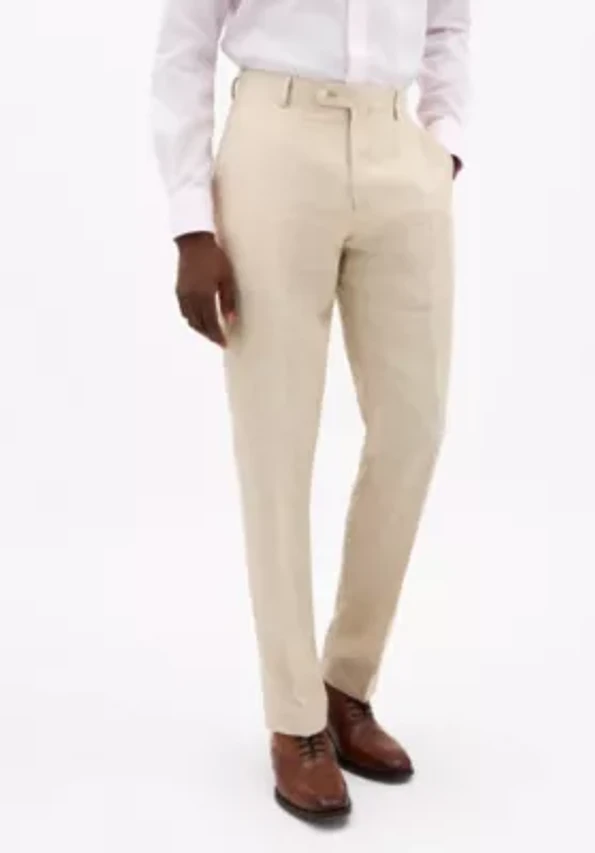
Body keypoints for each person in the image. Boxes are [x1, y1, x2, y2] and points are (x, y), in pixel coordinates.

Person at [151, 0, 470, 825]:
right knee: (277, 439)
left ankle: (345, 684)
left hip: (400, 150)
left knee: (414, 426)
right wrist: (191, 222)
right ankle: (295, 718)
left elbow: (448, 23)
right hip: (276, 145)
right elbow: (186, 40)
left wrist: (443, 142)